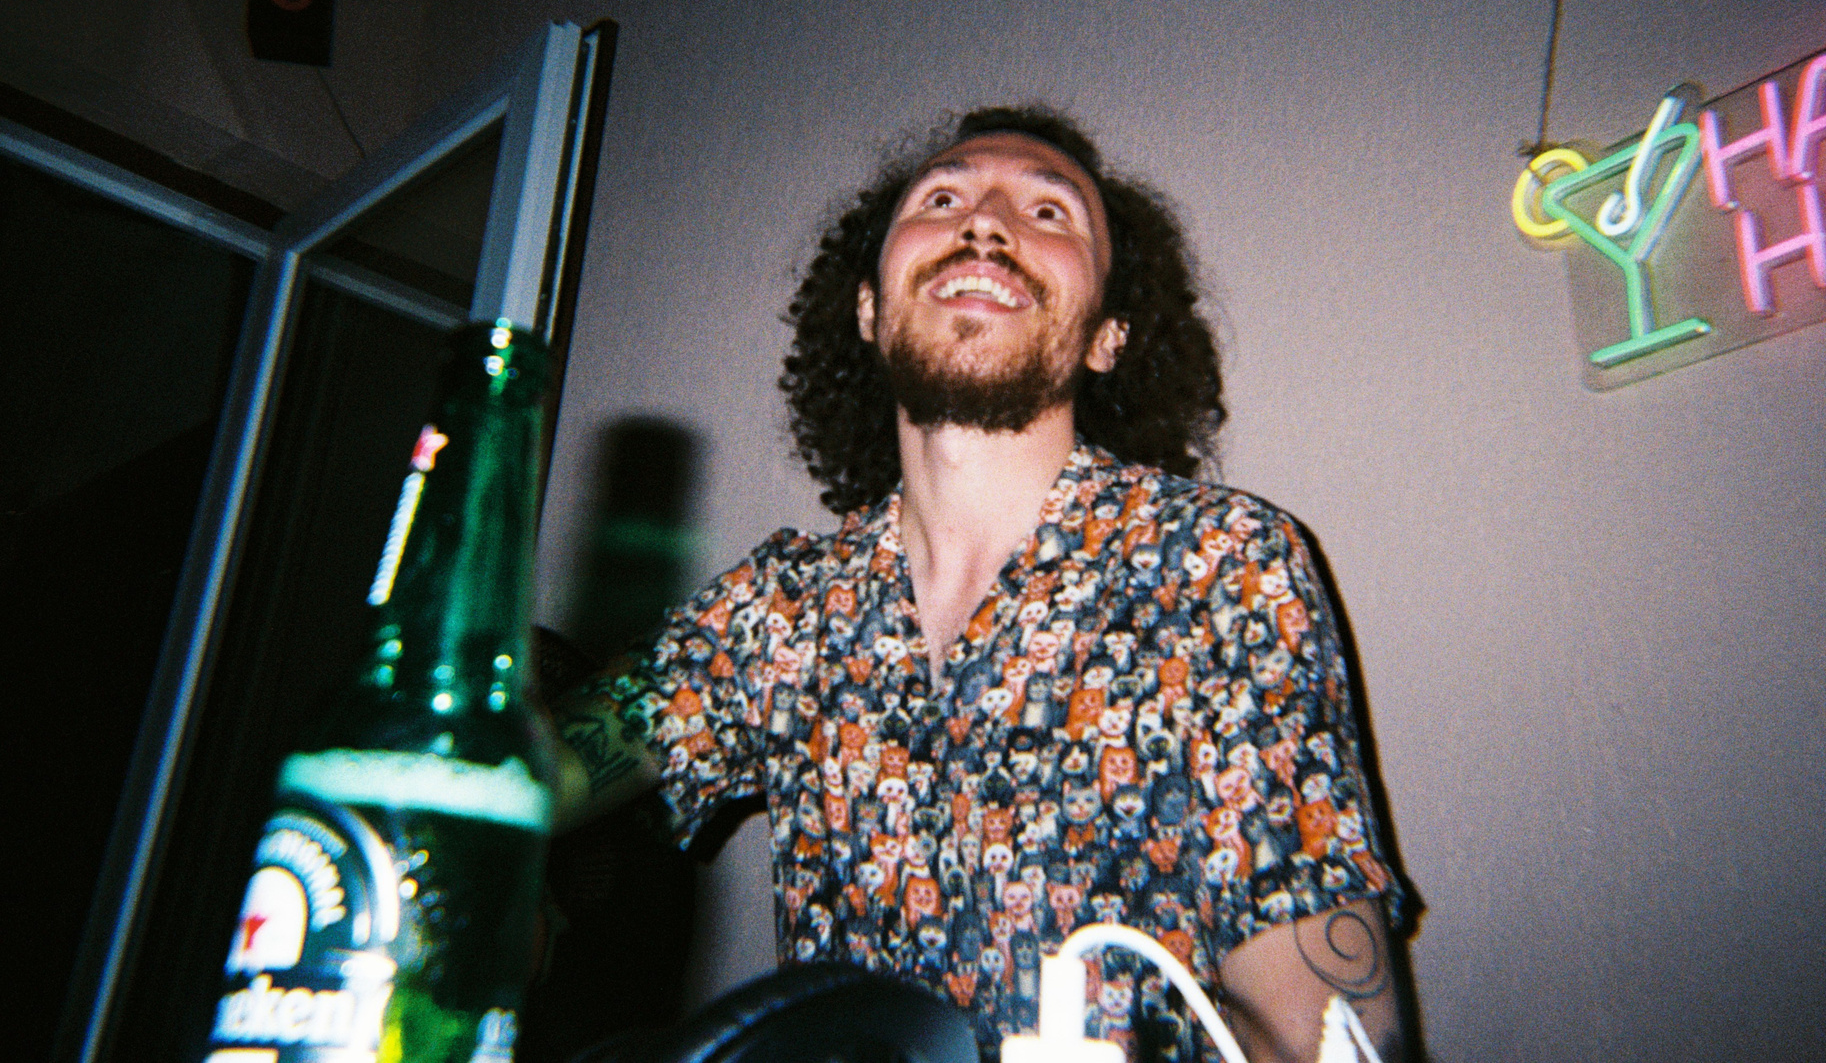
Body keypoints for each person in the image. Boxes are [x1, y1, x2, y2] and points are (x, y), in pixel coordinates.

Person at [550, 106, 1411, 1062]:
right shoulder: (784, 610)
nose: (987, 224)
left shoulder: (1223, 564)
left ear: (1106, 337)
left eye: (1048, 213)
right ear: (870, 310)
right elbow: (520, 773)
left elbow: (1327, 1037)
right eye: (943, 199)